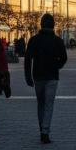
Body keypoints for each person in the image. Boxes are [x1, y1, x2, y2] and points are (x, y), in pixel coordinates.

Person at [24, 13, 68, 143]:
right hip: (52, 76)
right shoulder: (58, 41)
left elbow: (27, 60)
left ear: (41, 24)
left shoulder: (34, 40)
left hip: (38, 76)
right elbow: (64, 58)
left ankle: (41, 127)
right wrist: (57, 66)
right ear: (53, 25)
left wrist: (28, 77)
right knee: (49, 104)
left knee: (41, 103)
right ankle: (45, 130)